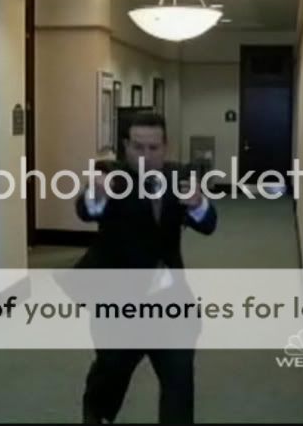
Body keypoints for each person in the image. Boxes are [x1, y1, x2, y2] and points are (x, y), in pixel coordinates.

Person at [75, 112, 217, 424]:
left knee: (179, 383)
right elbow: (86, 210)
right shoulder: (110, 175)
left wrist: (198, 205)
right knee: (111, 374)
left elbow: (208, 224)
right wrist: (96, 194)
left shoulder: (180, 176)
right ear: (126, 146)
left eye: (153, 148)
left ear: (165, 146)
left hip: (171, 303)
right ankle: (96, 412)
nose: (146, 155)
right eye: (138, 147)